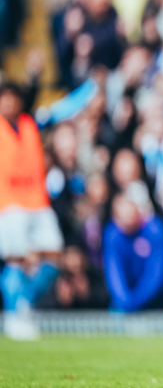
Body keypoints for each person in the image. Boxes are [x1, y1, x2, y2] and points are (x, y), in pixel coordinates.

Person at [0, 82, 64, 339]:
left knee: (53, 256)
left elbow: (61, 111)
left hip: (38, 202)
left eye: (12, 99)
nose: (8, 103)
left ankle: (23, 302)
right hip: (9, 203)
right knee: (15, 259)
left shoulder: (30, 123)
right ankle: (15, 315)